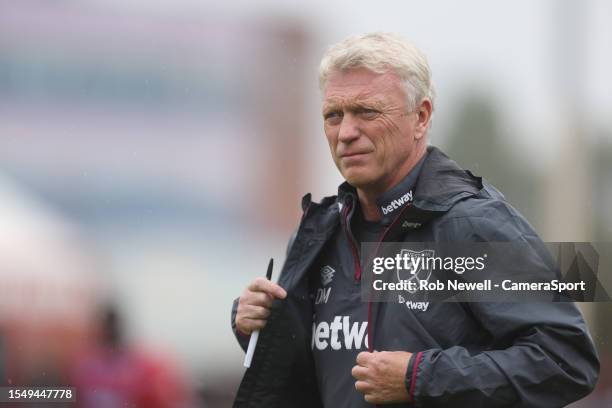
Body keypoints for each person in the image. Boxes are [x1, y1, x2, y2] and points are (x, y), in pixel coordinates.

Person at [230, 32, 599, 407]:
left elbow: (566, 359)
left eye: (367, 112)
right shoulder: (318, 233)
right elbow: (314, 379)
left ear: (420, 117)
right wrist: (259, 327)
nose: (346, 133)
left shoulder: (471, 223)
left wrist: (419, 377)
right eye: (333, 115)